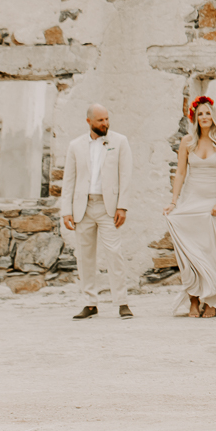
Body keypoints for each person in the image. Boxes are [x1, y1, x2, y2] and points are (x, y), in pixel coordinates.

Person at [162, 95, 216, 317]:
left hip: (213, 201)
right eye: (200, 113)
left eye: (207, 113)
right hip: (191, 199)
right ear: (195, 117)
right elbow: (181, 172)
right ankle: (193, 298)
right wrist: (174, 201)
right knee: (190, 252)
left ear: (213, 116)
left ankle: (212, 300)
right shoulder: (187, 141)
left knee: (211, 251)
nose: (204, 117)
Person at [60, 104, 134, 319]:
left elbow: (125, 176)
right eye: (100, 120)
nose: (105, 123)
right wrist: (66, 211)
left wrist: (122, 206)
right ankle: (90, 303)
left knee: (114, 253)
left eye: (107, 119)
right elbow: (69, 180)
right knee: (84, 257)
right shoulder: (75, 146)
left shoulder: (120, 141)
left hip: (107, 207)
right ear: (89, 121)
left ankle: (122, 302)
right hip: (82, 207)